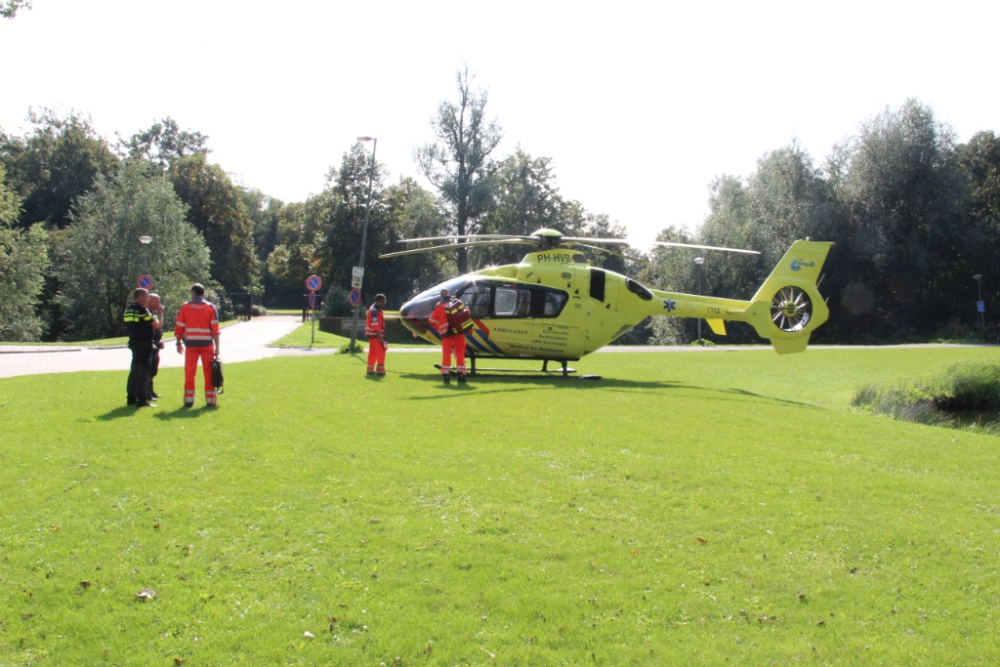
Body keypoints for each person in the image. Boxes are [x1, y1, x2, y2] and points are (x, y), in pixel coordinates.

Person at [174, 283, 221, 407]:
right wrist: (217, 349)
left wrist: (178, 343)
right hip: (207, 345)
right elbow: (215, 330)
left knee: (190, 372)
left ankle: (189, 400)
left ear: (193, 293)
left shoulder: (185, 307)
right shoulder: (210, 307)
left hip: (191, 345)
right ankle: (211, 401)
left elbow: (179, 327)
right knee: (209, 373)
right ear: (203, 293)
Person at [428, 288, 473, 384]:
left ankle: (446, 376)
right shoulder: (457, 304)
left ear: (441, 296)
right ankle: (461, 375)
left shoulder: (440, 306)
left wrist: (439, 326)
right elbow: (467, 313)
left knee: (446, 353)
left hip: (446, 334)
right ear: (449, 294)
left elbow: (431, 320)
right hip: (459, 332)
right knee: (460, 353)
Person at [124, 288, 157, 408]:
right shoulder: (143, 310)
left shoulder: (128, 309)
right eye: (147, 297)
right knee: (144, 372)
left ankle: (131, 398)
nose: (148, 299)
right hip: (144, 344)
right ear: (141, 297)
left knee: (134, 371)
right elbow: (155, 324)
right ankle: (142, 400)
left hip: (134, 343)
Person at [146, 293, 165, 401]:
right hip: (149, 346)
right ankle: (147, 391)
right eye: (156, 301)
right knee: (149, 368)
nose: (159, 304)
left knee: (153, 368)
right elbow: (158, 326)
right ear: (149, 300)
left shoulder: (151, 312)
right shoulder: (147, 312)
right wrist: (160, 313)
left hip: (155, 345)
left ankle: (150, 390)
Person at [365, 294, 388, 376]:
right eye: (382, 302)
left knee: (373, 352)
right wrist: (381, 338)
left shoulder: (376, 309)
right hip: (375, 335)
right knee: (381, 351)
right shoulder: (375, 311)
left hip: (371, 335)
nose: (383, 304)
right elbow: (375, 326)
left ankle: (370, 369)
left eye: (384, 302)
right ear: (377, 301)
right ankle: (380, 371)